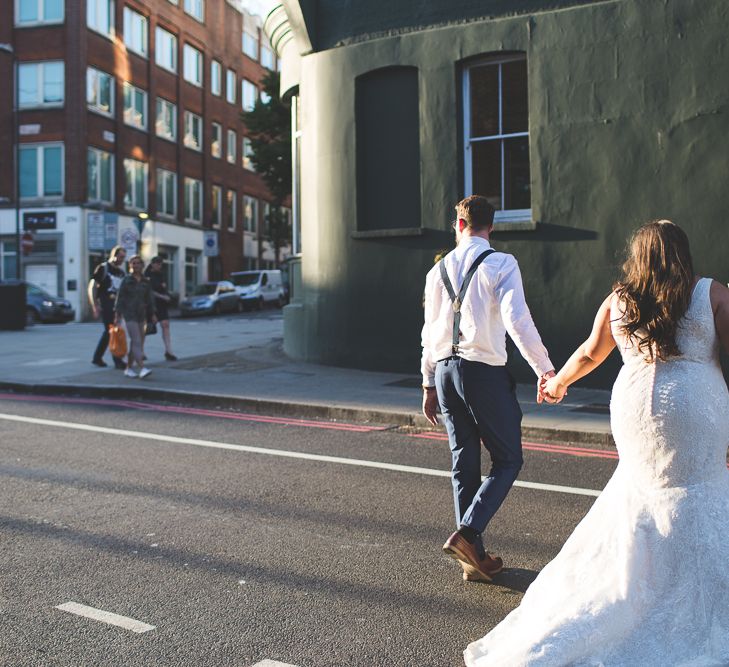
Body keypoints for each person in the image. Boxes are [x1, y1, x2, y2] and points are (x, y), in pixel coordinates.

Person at [464, 220, 729, 666]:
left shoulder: (619, 301)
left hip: (634, 414)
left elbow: (589, 352)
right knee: (698, 492)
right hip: (693, 413)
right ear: (683, 254)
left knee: (639, 498)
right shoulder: (712, 293)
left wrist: (558, 382)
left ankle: (634, 586)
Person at [420, 195, 555, 583]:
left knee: (464, 461)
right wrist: (544, 370)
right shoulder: (500, 263)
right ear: (490, 227)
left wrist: (428, 382)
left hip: (445, 372)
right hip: (482, 372)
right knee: (508, 458)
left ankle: (472, 559)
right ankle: (467, 535)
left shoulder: (436, 272)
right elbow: (517, 319)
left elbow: (429, 334)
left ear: (457, 224)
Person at [115, 255, 156, 379]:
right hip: (129, 314)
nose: (136, 265)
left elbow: (150, 299)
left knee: (136, 342)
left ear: (142, 265)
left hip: (141, 314)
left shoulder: (146, 281)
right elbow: (120, 298)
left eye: (138, 263)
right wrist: (117, 315)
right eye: (133, 263)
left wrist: (153, 314)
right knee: (137, 340)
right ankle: (142, 367)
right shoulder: (126, 280)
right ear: (130, 265)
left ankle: (128, 368)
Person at [88, 245, 127, 369]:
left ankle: (97, 357)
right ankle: (117, 360)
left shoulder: (121, 273)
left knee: (109, 332)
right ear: (114, 255)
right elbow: (92, 286)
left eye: (123, 258)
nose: (122, 260)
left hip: (117, 305)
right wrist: (95, 305)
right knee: (112, 330)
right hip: (106, 303)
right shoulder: (103, 268)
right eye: (120, 257)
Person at [144, 256, 177, 361]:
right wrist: (162, 296)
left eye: (161, 264)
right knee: (146, 328)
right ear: (152, 264)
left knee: (165, 325)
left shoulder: (161, 274)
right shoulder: (147, 275)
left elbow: (163, 287)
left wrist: (167, 295)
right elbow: (149, 291)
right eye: (158, 264)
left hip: (162, 305)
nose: (159, 266)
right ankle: (140, 351)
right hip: (151, 305)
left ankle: (169, 351)